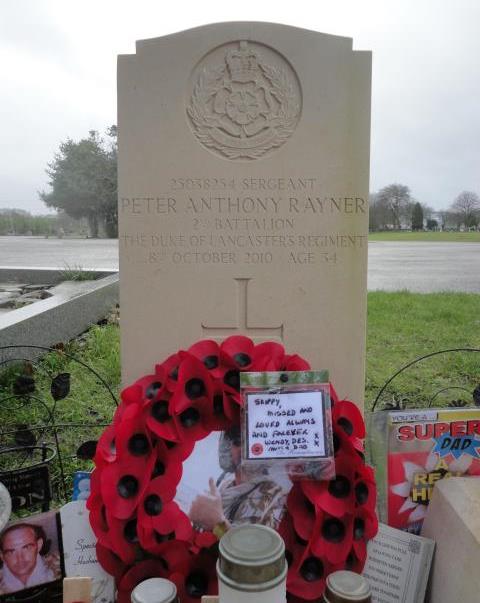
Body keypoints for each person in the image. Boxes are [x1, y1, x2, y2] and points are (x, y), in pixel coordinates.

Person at [188, 426, 287, 534]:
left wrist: (218, 524)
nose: (244, 449)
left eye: (253, 441)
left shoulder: (275, 495)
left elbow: (255, 548)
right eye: (237, 442)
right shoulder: (226, 484)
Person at [0, 523, 61, 594]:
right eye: (11, 552)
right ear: (1, 556)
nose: (20, 559)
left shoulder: (60, 567)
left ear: (39, 545)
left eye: (26, 548)